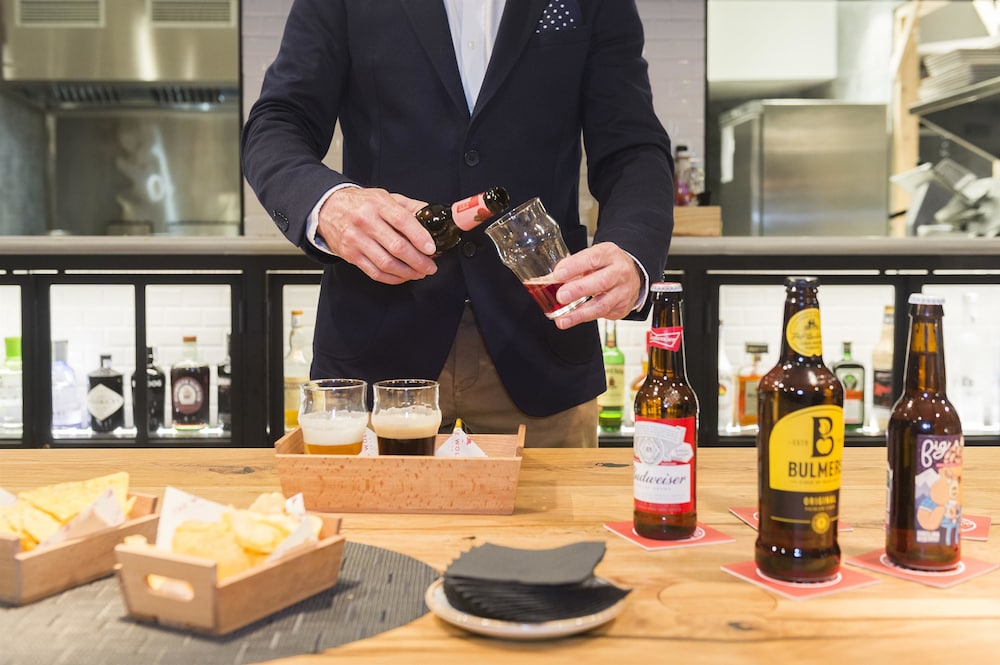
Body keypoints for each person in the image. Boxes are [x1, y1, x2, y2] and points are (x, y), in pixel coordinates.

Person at [241, 0, 675, 448]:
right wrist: (331, 203)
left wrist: (632, 251)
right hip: (374, 357)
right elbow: (277, 122)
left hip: (543, 349)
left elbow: (633, 146)